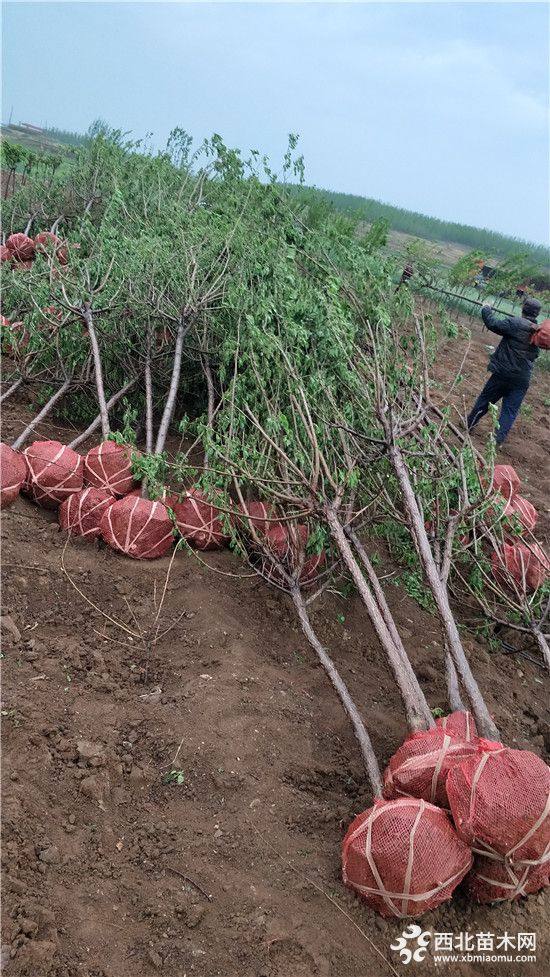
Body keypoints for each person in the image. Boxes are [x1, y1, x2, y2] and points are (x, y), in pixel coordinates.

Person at [467, 297, 541, 446]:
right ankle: (497, 441)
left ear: (523, 308)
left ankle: (469, 424)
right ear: (537, 314)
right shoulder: (538, 330)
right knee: (510, 411)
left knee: (485, 399)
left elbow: (492, 324)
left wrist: (486, 308)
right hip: (522, 378)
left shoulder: (515, 323)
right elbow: (536, 354)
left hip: (503, 373)